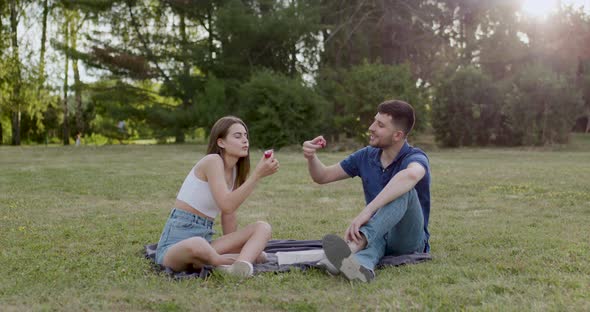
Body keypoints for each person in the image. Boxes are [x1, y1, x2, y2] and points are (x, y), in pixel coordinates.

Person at [302, 100, 431, 282]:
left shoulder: (415, 157)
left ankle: (355, 244)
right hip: (378, 234)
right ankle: (362, 268)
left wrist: (368, 210)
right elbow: (322, 176)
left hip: (408, 239)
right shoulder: (366, 156)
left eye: (380, 125)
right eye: (374, 121)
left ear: (397, 135)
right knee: (374, 237)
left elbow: (410, 176)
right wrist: (311, 157)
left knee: (404, 190)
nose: (371, 128)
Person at [155, 116, 279, 278]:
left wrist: (233, 245)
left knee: (262, 232)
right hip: (175, 246)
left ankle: (237, 265)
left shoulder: (235, 171)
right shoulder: (212, 161)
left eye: (246, 136)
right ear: (221, 142)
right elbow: (226, 204)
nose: (245, 140)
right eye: (238, 136)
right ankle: (224, 262)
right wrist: (257, 175)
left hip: (206, 241)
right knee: (197, 245)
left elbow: (229, 212)